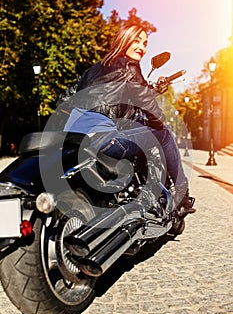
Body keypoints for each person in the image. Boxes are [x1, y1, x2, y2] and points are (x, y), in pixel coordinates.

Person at [58, 23, 195, 216]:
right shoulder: (130, 66)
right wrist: (159, 118)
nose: (142, 47)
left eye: (145, 43)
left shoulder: (93, 69)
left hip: (73, 138)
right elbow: (151, 110)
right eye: (136, 40)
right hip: (103, 140)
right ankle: (182, 192)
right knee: (163, 133)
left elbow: (63, 100)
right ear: (124, 40)